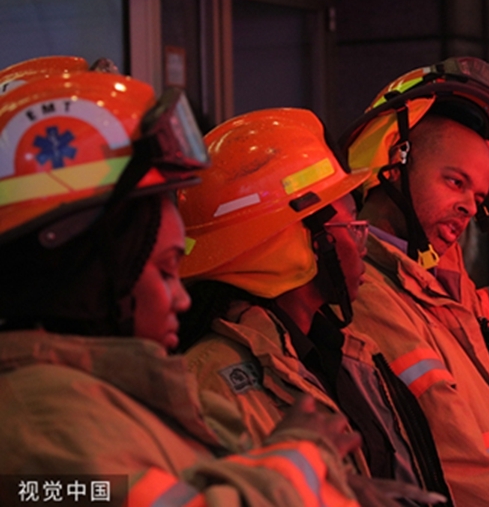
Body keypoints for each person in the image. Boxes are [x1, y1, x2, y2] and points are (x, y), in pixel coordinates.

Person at [0, 69, 361, 506]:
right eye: (166, 269)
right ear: (93, 275)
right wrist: (301, 461)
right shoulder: (44, 425)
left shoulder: (124, 397)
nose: (182, 296)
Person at [176, 108, 448, 505]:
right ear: (296, 242)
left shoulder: (344, 351)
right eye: (351, 226)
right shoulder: (213, 384)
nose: (362, 245)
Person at [340, 56, 489, 506]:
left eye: (479, 195)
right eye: (455, 181)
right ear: (393, 161)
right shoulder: (368, 295)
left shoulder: (437, 284)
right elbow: (463, 462)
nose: (469, 206)